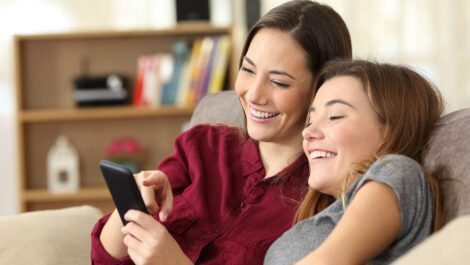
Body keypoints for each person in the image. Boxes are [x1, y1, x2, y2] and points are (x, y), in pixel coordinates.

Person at [91, 1, 352, 264]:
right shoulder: (202, 145)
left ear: (322, 90)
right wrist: (131, 201)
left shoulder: (324, 197)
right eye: (247, 69)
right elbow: (103, 259)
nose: (254, 94)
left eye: (278, 81)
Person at [263, 59, 444, 265]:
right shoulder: (334, 210)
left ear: (390, 131)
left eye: (335, 116)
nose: (307, 132)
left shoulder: (398, 172)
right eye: (310, 120)